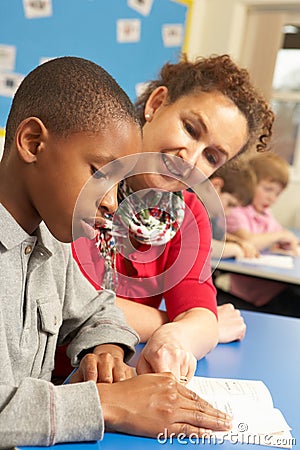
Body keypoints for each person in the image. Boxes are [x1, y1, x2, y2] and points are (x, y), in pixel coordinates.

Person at [0, 56, 233, 448]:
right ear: (32, 143)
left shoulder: (51, 241)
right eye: (99, 173)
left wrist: (104, 350)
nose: (111, 203)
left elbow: (99, 310)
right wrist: (110, 404)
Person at [68, 54, 274, 380]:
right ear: (157, 104)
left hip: (115, 380)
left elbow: (198, 313)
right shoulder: (85, 175)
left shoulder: (188, 215)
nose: (189, 159)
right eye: (190, 129)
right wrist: (181, 321)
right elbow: (74, 304)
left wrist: (178, 335)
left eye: (211, 156)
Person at [223, 152, 300, 316]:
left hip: (274, 286)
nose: (272, 198)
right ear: (250, 184)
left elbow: (278, 237)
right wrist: (278, 236)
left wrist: (282, 244)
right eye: (267, 189)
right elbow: (248, 240)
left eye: (277, 193)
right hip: (253, 294)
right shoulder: (236, 210)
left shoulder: (265, 213)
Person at [209, 164, 259, 259]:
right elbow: (193, 244)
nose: (227, 213)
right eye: (230, 204)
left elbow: (218, 235)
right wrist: (232, 249)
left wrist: (239, 243)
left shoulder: (210, 216)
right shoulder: (186, 204)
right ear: (216, 186)